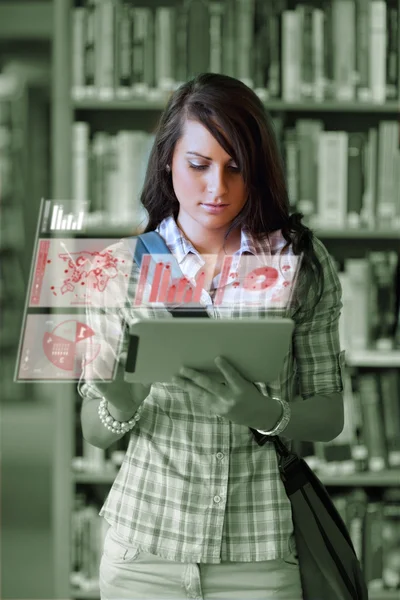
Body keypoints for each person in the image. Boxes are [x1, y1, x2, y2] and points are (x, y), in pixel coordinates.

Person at [78, 72, 346, 600]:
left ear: (259, 170)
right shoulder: (119, 268)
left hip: (260, 555)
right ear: (168, 163)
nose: (217, 188)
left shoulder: (301, 265)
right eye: (198, 165)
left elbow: (330, 415)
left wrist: (265, 414)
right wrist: (117, 398)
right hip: (143, 552)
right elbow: (96, 431)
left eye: (236, 167)